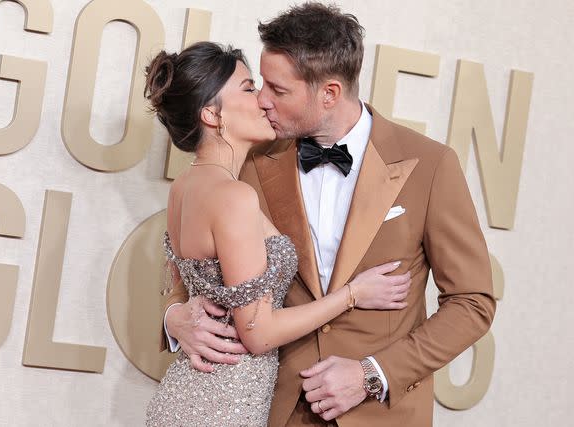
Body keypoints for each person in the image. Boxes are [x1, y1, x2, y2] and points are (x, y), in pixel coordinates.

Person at [161, 3, 496, 426]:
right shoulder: (245, 162)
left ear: (330, 93)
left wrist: (373, 373)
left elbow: (472, 302)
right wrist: (175, 318)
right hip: (272, 411)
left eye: (278, 90)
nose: (263, 100)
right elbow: (195, 261)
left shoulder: (430, 165)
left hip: (381, 414)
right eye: (259, 84)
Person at [144, 41, 413, 426]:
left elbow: (183, 284)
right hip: (222, 407)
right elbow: (258, 333)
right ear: (212, 114)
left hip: (192, 395)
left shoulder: (184, 187)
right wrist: (353, 295)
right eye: (250, 88)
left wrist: (174, 314)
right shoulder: (232, 196)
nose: (264, 100)